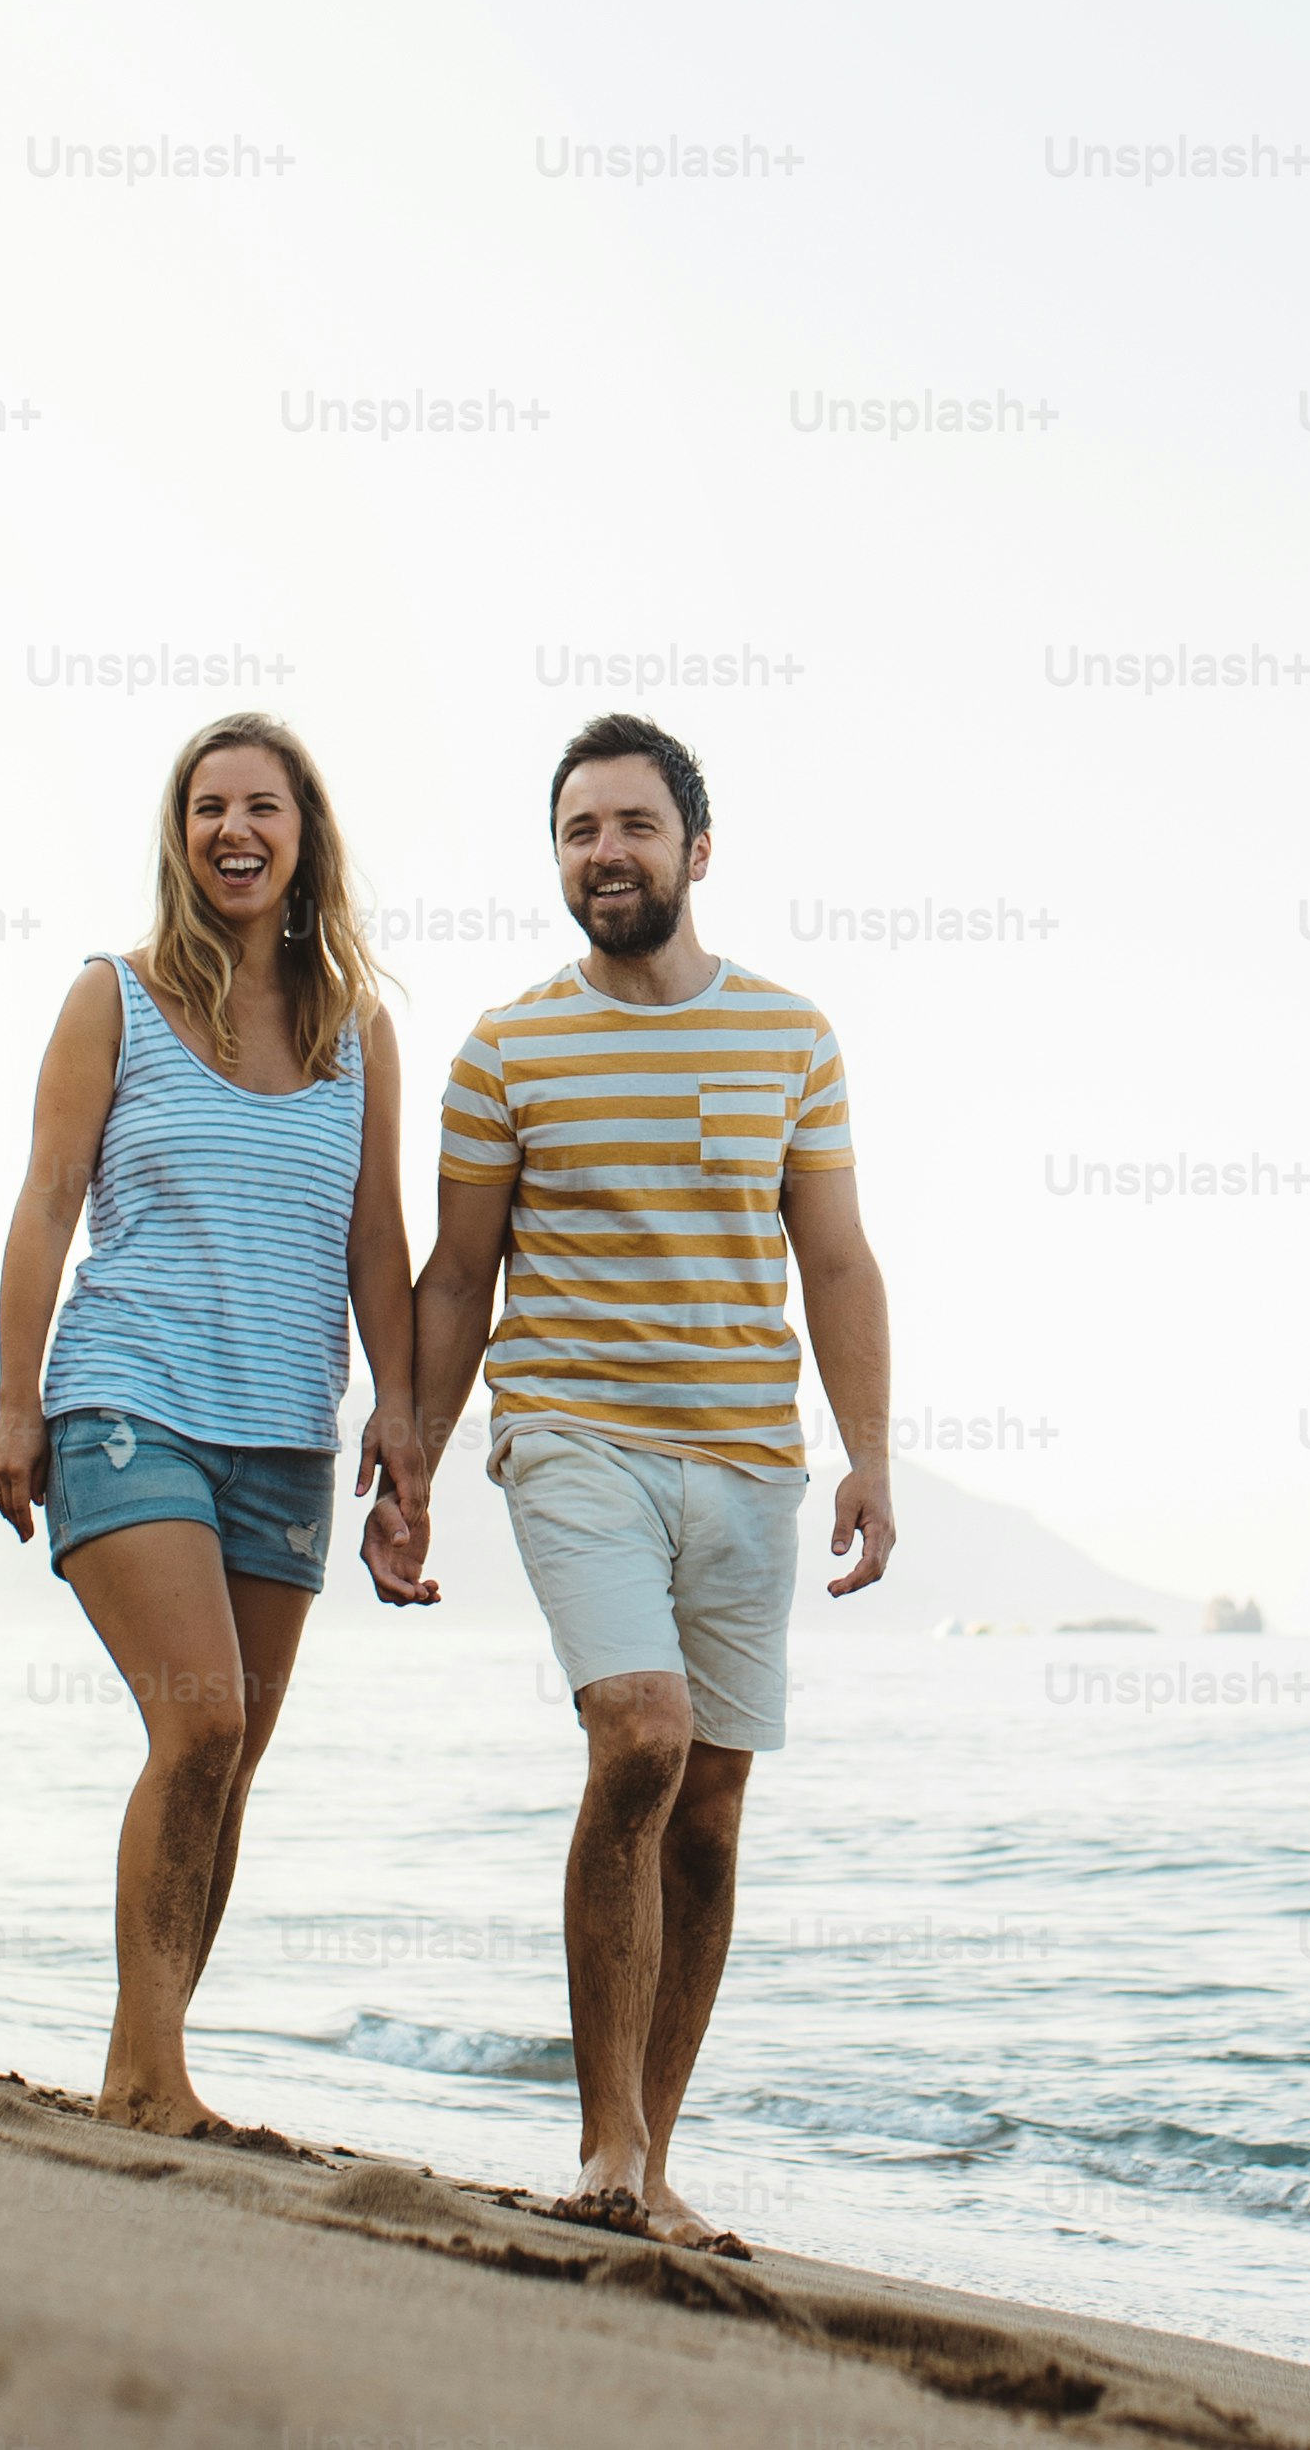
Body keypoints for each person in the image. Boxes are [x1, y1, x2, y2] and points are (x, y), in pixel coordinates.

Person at [412, 712, 895, 2252]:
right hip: (572, 1434)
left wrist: (869, 1451)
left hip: (749, 1458)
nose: (601, 852)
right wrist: (409, 1454)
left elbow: (834, 1257)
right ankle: (604, 2136)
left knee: (711, 1810)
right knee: (643, 1735)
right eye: (575, 830)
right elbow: (458, 1275)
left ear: (697, 845)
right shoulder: (506, 1049)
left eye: (628, 824)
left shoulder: (793, 1038)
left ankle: (654, 2156)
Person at [0, 710, 434, 2146]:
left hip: (285, 1434)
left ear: (307, 836)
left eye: (262, 807)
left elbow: (379, 1237)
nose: (233, 830)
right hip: (129, 1399)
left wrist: (405, 1418)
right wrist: (14, 1396)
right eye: (206, 807)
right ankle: (146, 2071)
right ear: (179, 836)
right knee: (204, 1719)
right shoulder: (111, 996)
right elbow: (50, 1201)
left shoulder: (358, 1029)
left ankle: (147, 2062)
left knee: (228, 1760)